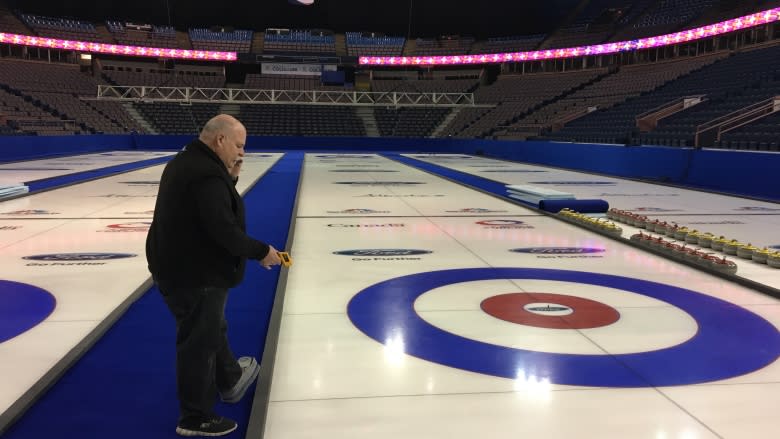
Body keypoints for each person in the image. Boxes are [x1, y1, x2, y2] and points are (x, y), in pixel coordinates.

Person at [146, 114, 282, 436]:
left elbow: (211, 208)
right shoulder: (205, 174)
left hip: (179, 266)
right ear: (220, 140)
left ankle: (231, 379)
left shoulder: (191, 162)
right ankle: (195, 417)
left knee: (208, 327)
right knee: (200, 340)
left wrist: (231, 177)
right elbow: (223, 228)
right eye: (239, 145)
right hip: (195, 272)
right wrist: (262, 251)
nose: (242, 153)